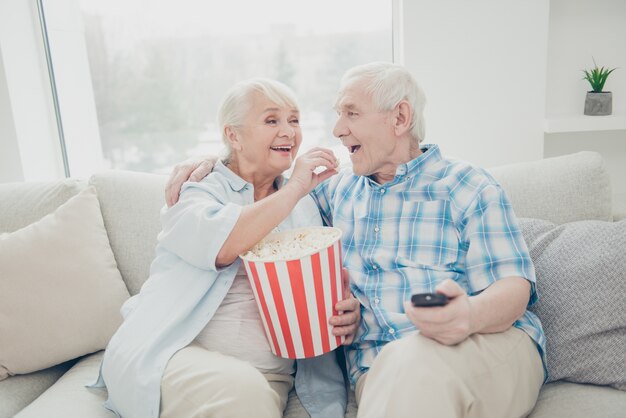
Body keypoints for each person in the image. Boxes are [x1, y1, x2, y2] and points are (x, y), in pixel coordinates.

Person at [165, 62, 547, 418]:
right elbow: (263, 197)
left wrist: (467, 316)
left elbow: (514, 289)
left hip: (481, 345)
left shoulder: (467, 185)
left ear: (399, 117)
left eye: (351, 113)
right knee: (401, 367)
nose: (337, 129)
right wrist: (216, 161)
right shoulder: (336, 191)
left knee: (410, 363)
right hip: (381, 372)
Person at [92, 78, 361, 418]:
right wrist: (294, 187)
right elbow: (224, 244)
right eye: (271, 120)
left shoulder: (305, 204)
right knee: (243, 393)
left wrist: (345, 311)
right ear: (233, 135)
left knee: (248, 392)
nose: (289, 132)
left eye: (294, 120)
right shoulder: (197, 190)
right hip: (175, 352)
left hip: (267, 377)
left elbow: (318, 283)